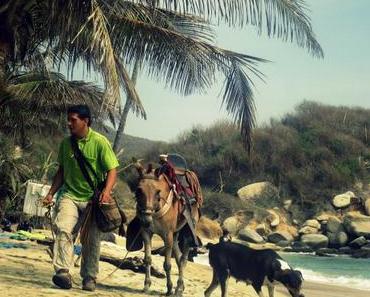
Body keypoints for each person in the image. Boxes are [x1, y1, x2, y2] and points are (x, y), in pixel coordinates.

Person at [42, 104, 119, 291]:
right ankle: (62, 272)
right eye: (68, 120)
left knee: (92, 240)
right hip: (69, 195)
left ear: (86, 121)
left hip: (93, 200)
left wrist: (106, 192)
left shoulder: (100, 142)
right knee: (64, 229)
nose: (69, 124)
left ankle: (89, 277)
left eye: (73, 120)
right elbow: (61, 171)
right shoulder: (66, 144)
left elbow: (112, 170)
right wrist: (51, 193)